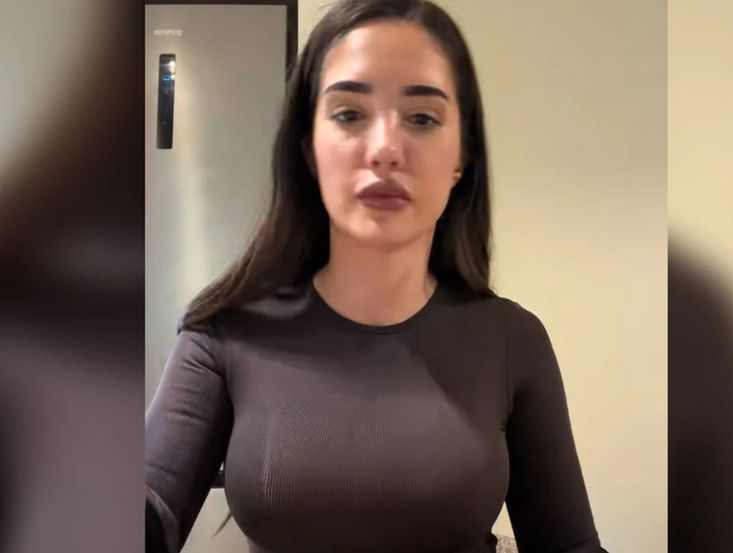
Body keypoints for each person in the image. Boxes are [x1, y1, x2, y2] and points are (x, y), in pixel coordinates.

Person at [145, 1, 606, 552]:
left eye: (422, 118)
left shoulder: (512, 341)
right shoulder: (224, 333)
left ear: (460, 157)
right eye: (349, 114)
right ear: (309, 149)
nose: (385, 148)